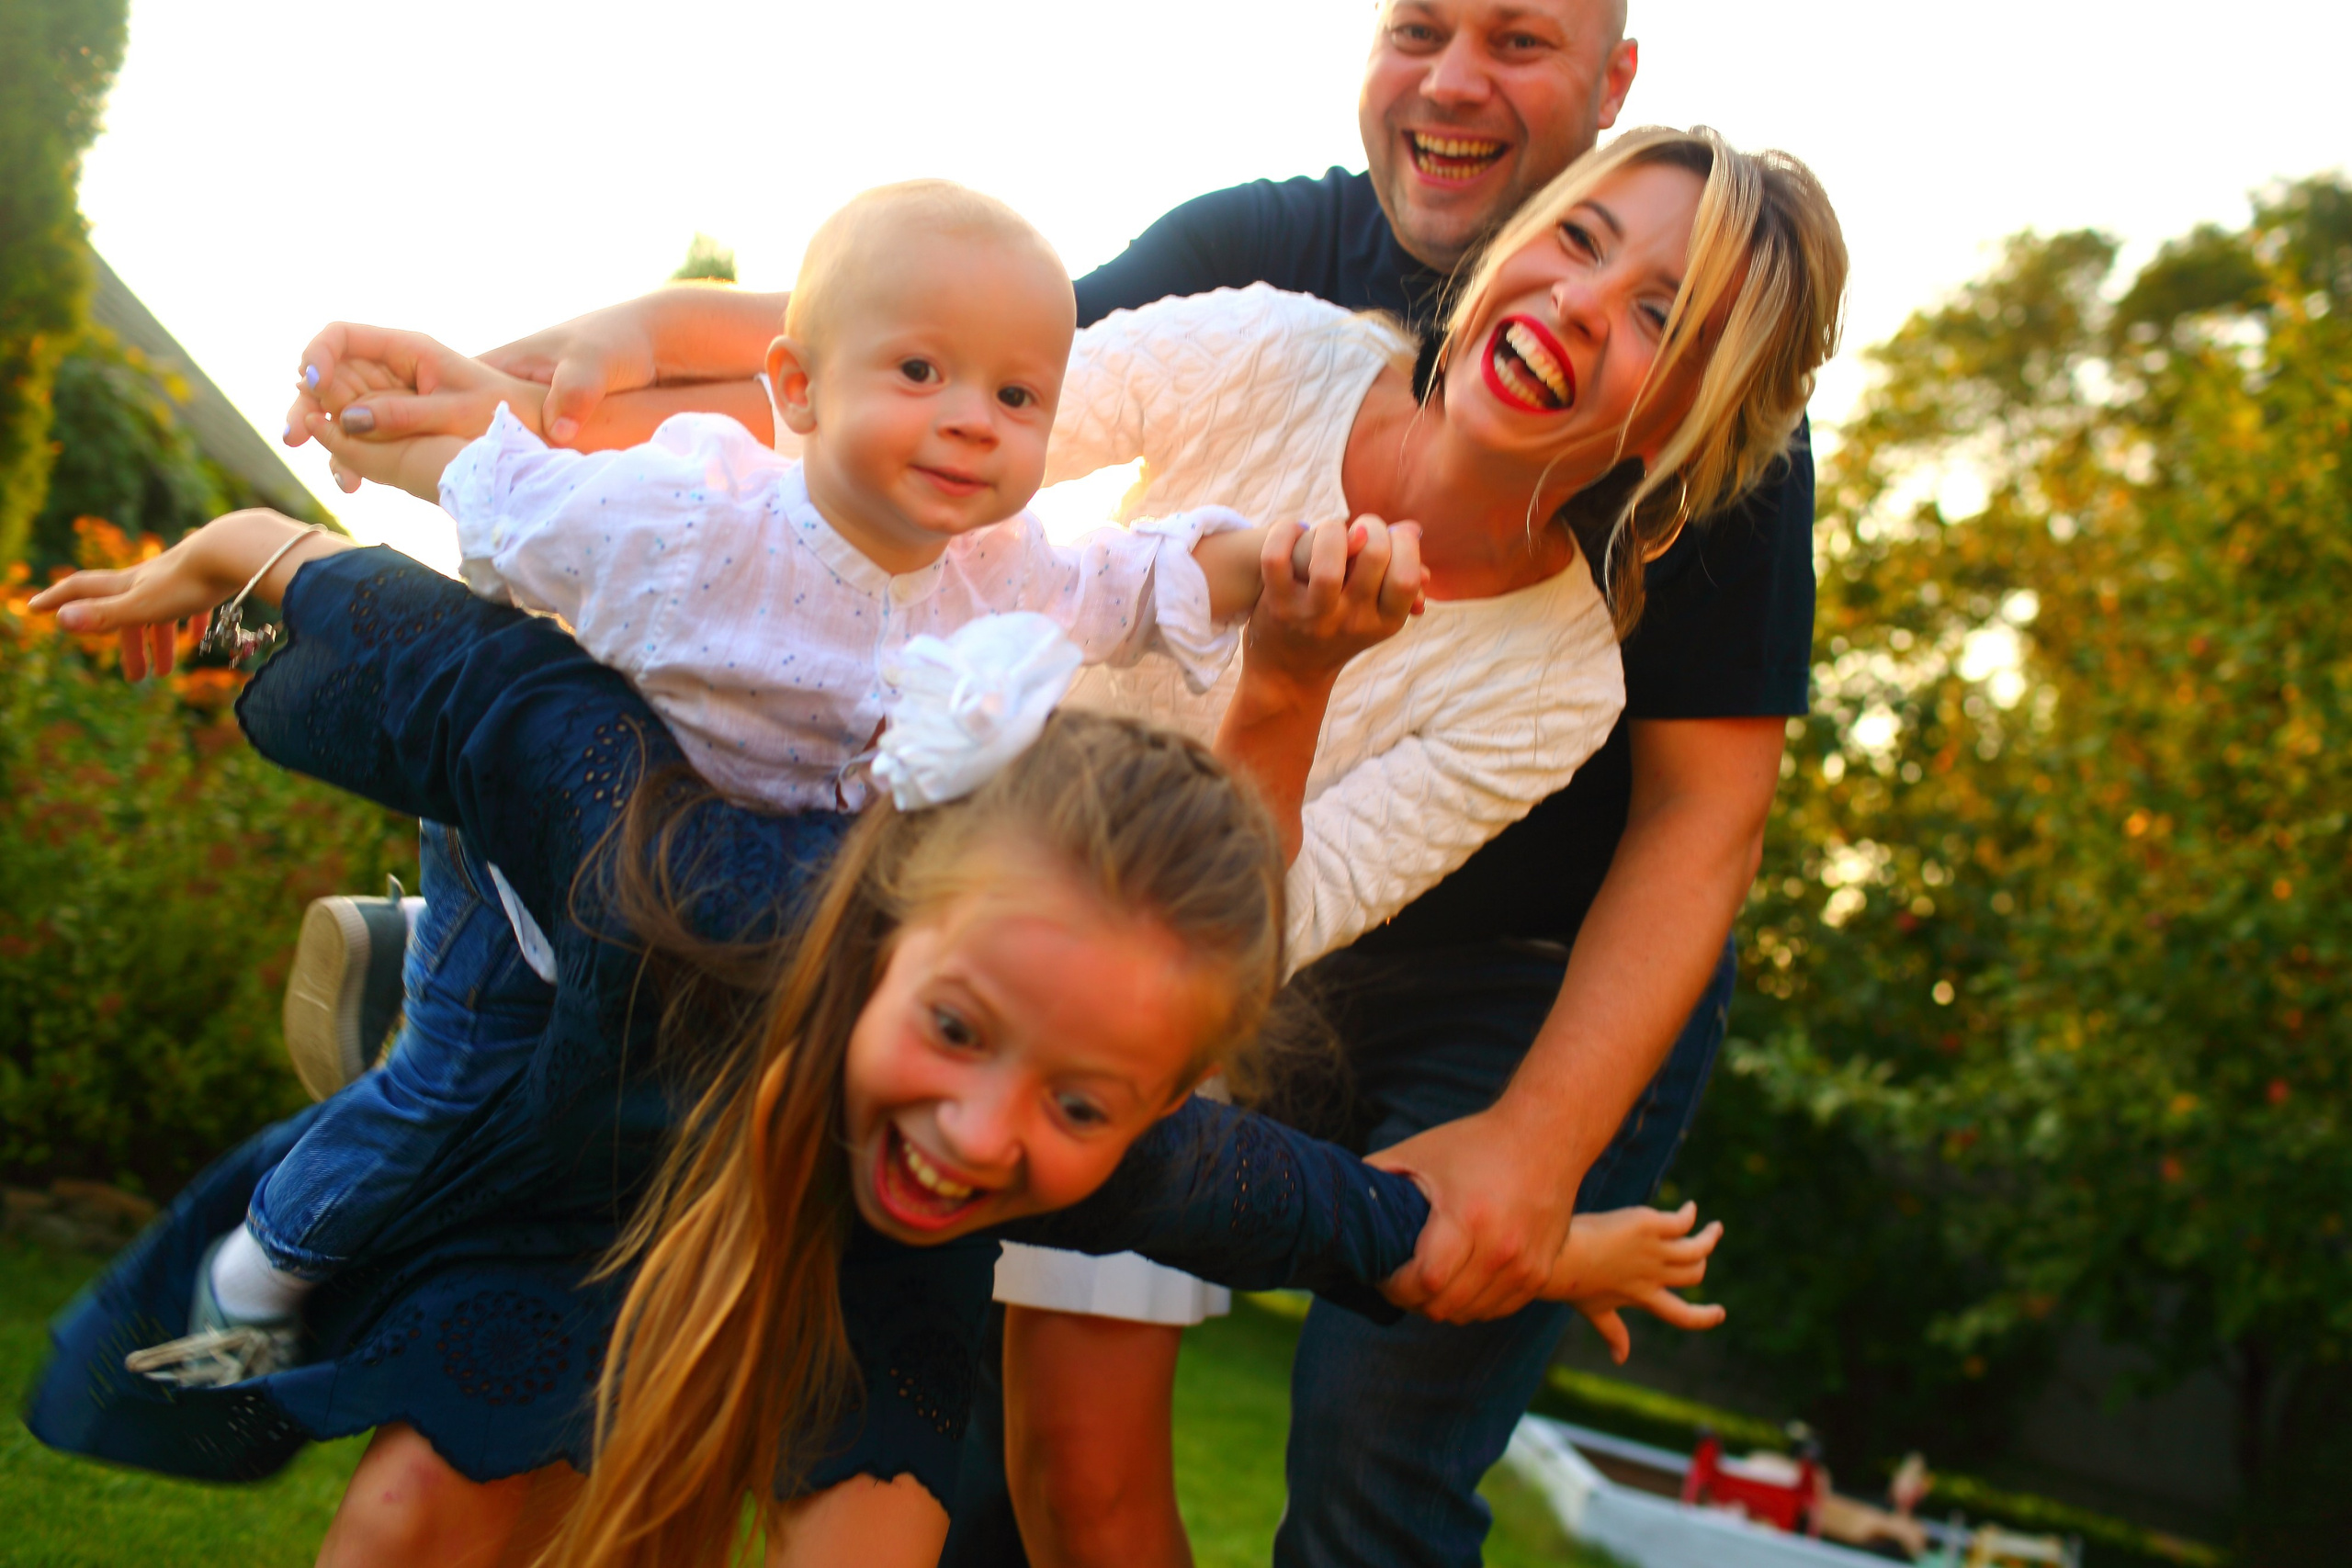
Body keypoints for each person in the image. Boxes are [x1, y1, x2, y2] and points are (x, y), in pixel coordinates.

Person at [294, 71, 1846, 1557]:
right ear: (1517, 241)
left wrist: (1288, 684)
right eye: (1580, 240)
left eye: (1662, 318)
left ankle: (526, 968)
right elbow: (926, 433)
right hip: (885, 868)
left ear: (1699, 420)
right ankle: (517, 968)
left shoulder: (1558, 688)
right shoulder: (1278, 345)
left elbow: (1235, 947)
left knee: (1079, 1483)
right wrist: (501, 399)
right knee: (580, 1356)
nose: (1580, 303)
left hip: (1089, 1011)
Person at [26, 517, 1725, 1568]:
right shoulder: (679, 873)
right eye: (964, 1028)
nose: (986, 1134)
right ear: (896, 922)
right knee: (428, 1514)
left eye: (1082, 1101)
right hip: (602, 1164)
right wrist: (225, 567)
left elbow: (1340, 1218)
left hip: (871, 1291)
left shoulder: (1112, 1159)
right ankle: (449, 980)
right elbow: (440, 659)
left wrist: (1552, 1238)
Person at [129, 178, 1410, 1388]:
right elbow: (500, 483)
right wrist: (366, 419)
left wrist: (1294, 557)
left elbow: (1146, 576)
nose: (974, 416)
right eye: (921, 372)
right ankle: (254, 1280)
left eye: (1020, 396)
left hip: (713, 886)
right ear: (796, 387)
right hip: (534, 853)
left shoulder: (1013, 570)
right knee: (451, 1088)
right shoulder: (686, 524)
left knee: (660, 1100)